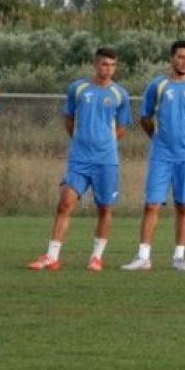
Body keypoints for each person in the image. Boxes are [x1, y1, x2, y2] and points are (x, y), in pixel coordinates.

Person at [28, 47, 131, 271]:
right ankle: (52, 256)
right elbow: (69, 120)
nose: (108, 70)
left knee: (104, 208)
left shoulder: (120, 94)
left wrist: (104, 142)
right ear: (95, 64)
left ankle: (96, 257)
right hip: (79, 159)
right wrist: (82, 140)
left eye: (113, 66)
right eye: (105, 64)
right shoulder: (78, 88)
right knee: (65, 203)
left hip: (106, 161)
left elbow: (122, 127)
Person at [122, 40, 185, 271]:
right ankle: (143, 257)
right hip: (161, 155)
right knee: (151, 204)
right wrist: (160, 139)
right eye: (180, 57)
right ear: (172, 58)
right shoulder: (157, 86)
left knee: (183, 205)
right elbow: (145, 118)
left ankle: (179, 257)